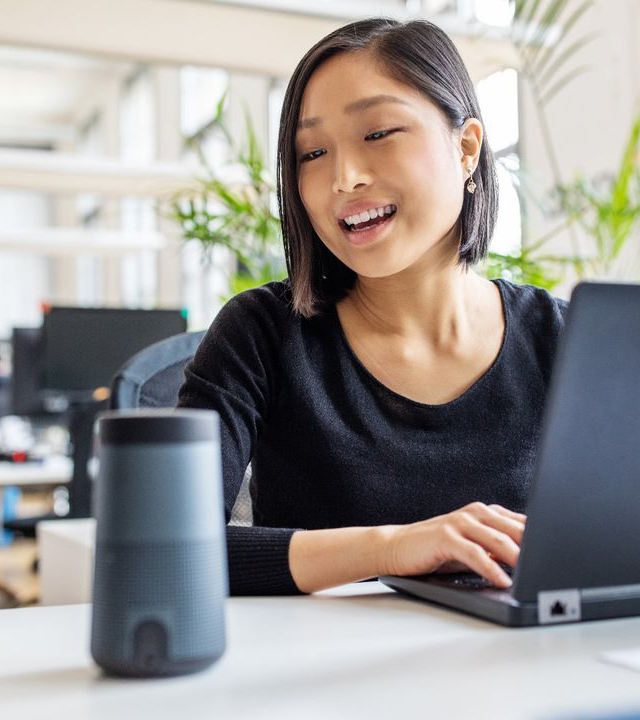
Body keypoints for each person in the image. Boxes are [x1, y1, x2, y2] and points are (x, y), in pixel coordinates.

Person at [177, 17, 567, 595]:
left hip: (543, 669)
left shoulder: (563, 338)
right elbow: (168, 547)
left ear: (465, 148)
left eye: (378, 133)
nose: (343, 178)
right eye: (312, 152)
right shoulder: (259, 335)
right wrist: (393, 547)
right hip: (328, 675)